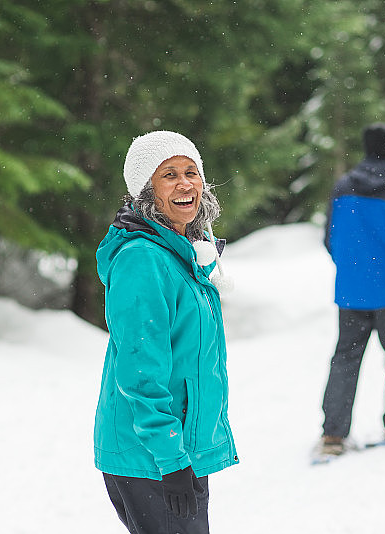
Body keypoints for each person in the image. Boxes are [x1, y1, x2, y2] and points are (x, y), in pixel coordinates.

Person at [94, 130, 238, 534]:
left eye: (191, 172)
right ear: (146, 190)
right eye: (169, 175)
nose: (185, 184)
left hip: (175, 449)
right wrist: (171, 459)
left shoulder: (180, 250)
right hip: (154, 457)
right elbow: (140, 372)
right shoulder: (142, 259)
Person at [317, 122, 385, 458]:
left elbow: (329, 238)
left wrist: (353, 268)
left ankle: (333, 434)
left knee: (345, 359)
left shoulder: (342, 187)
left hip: (351, 292)